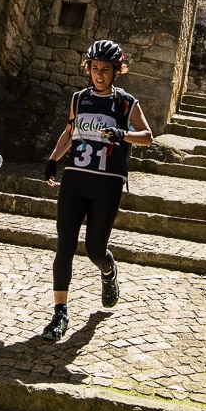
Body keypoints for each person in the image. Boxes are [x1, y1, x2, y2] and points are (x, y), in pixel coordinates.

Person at [40, 39, 153, 341]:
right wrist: (53, 160)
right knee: (64, 245)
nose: (99, 74)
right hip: (75, 181)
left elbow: (147, 137)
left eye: (105, 69)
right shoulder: (79, 99)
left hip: (107, 184)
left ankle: (108, 270)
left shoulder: (125, 102)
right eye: (94, 69)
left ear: (117, 71)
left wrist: (123, 134)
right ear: (88, 69)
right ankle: (60, 313)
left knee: (93, 250)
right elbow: (69, 132)